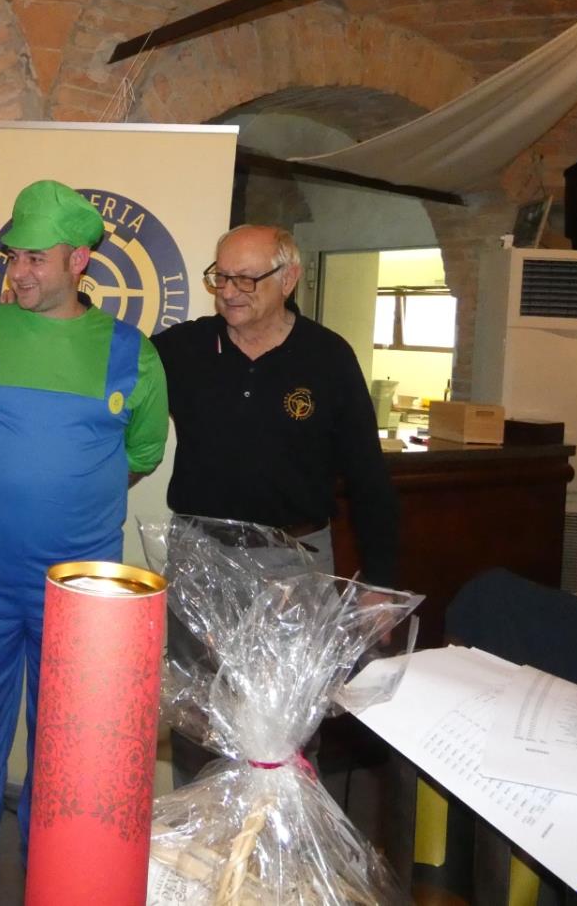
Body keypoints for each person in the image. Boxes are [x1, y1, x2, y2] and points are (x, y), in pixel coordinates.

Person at [0, 180, 169, 906]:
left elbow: (141, 455)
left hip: (82, 587)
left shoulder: (131, 354)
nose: (18, 271)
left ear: (79, 261)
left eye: (35, 258)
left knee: (66, 734)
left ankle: (49, 859)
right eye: (13, 256)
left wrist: (66, 492)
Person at [151, 223, 399, 780]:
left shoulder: (328, 358)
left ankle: (283, 832)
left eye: (245, 278)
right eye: (220, 277)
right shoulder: (184, 348)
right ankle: (200, 828)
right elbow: (111, 367)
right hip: (200, 556)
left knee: (288, 726)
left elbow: (368, 473)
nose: (228, 291)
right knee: (197, 718)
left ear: (288, 279)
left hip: (293, 563)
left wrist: (380, 581)